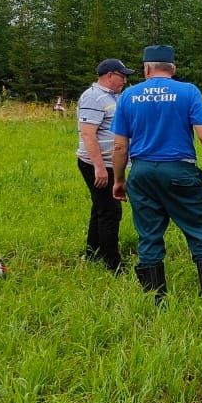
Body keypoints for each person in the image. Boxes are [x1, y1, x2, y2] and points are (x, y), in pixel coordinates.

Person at [111, 45, 202, 301]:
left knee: (149, 234)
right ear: (173, 68)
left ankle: (155, 297)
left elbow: (120, 146)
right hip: (179, 170)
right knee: (199, 230)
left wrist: (119, 180)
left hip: (142, 172)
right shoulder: (188, 92)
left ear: (146, 68)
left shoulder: (128, 96)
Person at [76, 58, 134, 271]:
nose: (125, 80)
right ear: (109, 75)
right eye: (122, 76)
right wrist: (99, 167)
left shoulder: (114, 97)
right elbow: (88, 134)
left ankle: (93, 252)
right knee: (110, 212)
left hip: (110, 164)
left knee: (100, 208)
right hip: (98, 165)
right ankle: (113, 263)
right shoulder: (94, 97)